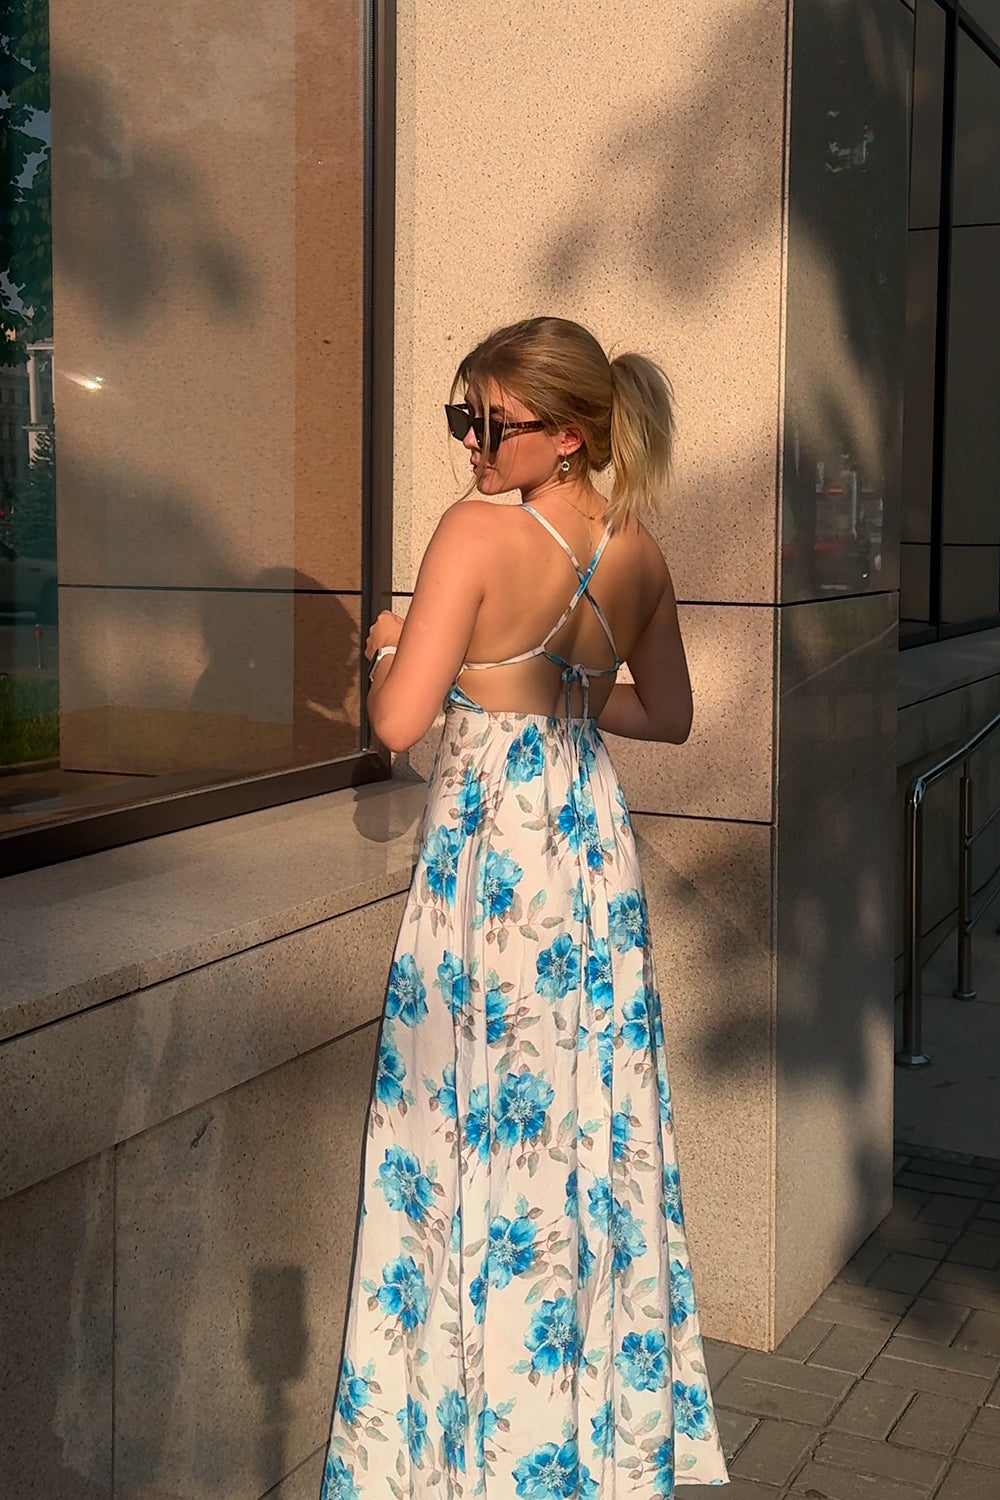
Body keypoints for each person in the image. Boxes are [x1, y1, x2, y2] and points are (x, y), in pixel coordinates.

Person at [320, 316, 729, 1499]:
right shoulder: (636, 548)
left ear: (570, 433)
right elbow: (670, 716)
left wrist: (403, 647)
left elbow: (397, 726)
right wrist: (553, 697)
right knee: (584, 1134)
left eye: (491, 425)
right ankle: (580, 1434)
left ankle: (460, 1446)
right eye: (464, 418)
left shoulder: (474, 536)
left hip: (492, 865)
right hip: (589, 859)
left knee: (462, 1135)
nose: (471, 447)